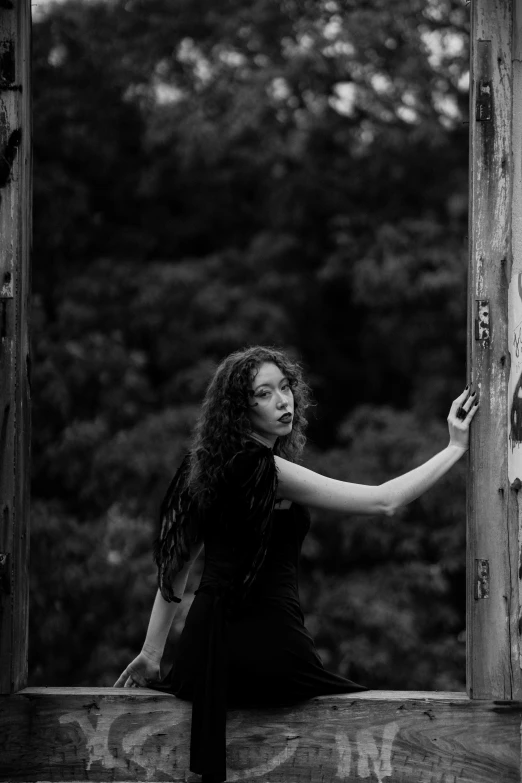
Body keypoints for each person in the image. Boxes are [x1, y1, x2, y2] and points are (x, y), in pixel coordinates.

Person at [114, 345, 478, 783]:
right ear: (239, 409)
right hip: (267, 644)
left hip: (202, 654)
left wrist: (153, 654)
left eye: (285, 388)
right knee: (379, 724)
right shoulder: (265, 468)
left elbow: (177, 566)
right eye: (264, 394)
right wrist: (455, 447)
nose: (283, 401)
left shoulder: (204, 468)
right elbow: (386, 500)